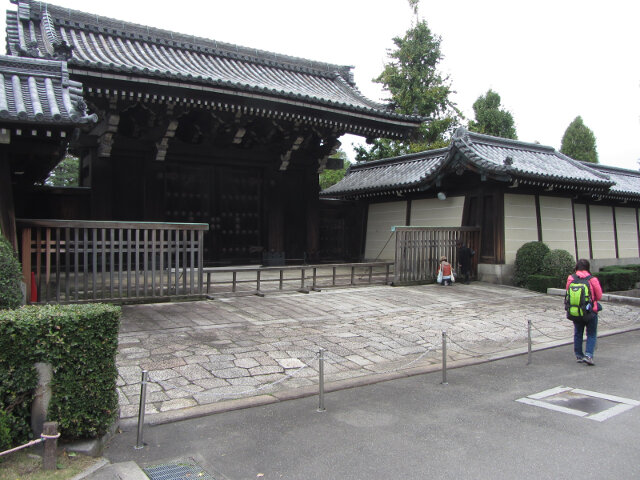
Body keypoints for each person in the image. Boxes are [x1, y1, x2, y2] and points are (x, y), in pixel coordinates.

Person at [566, 259, 602, 366]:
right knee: (591, 333)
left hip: (575, 310)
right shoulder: (592, 279)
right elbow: (599, 296)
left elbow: (568, 292)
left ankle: (579, 355)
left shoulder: (571, 278)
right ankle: (589, 355)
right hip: (590, 311)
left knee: (578, 333)